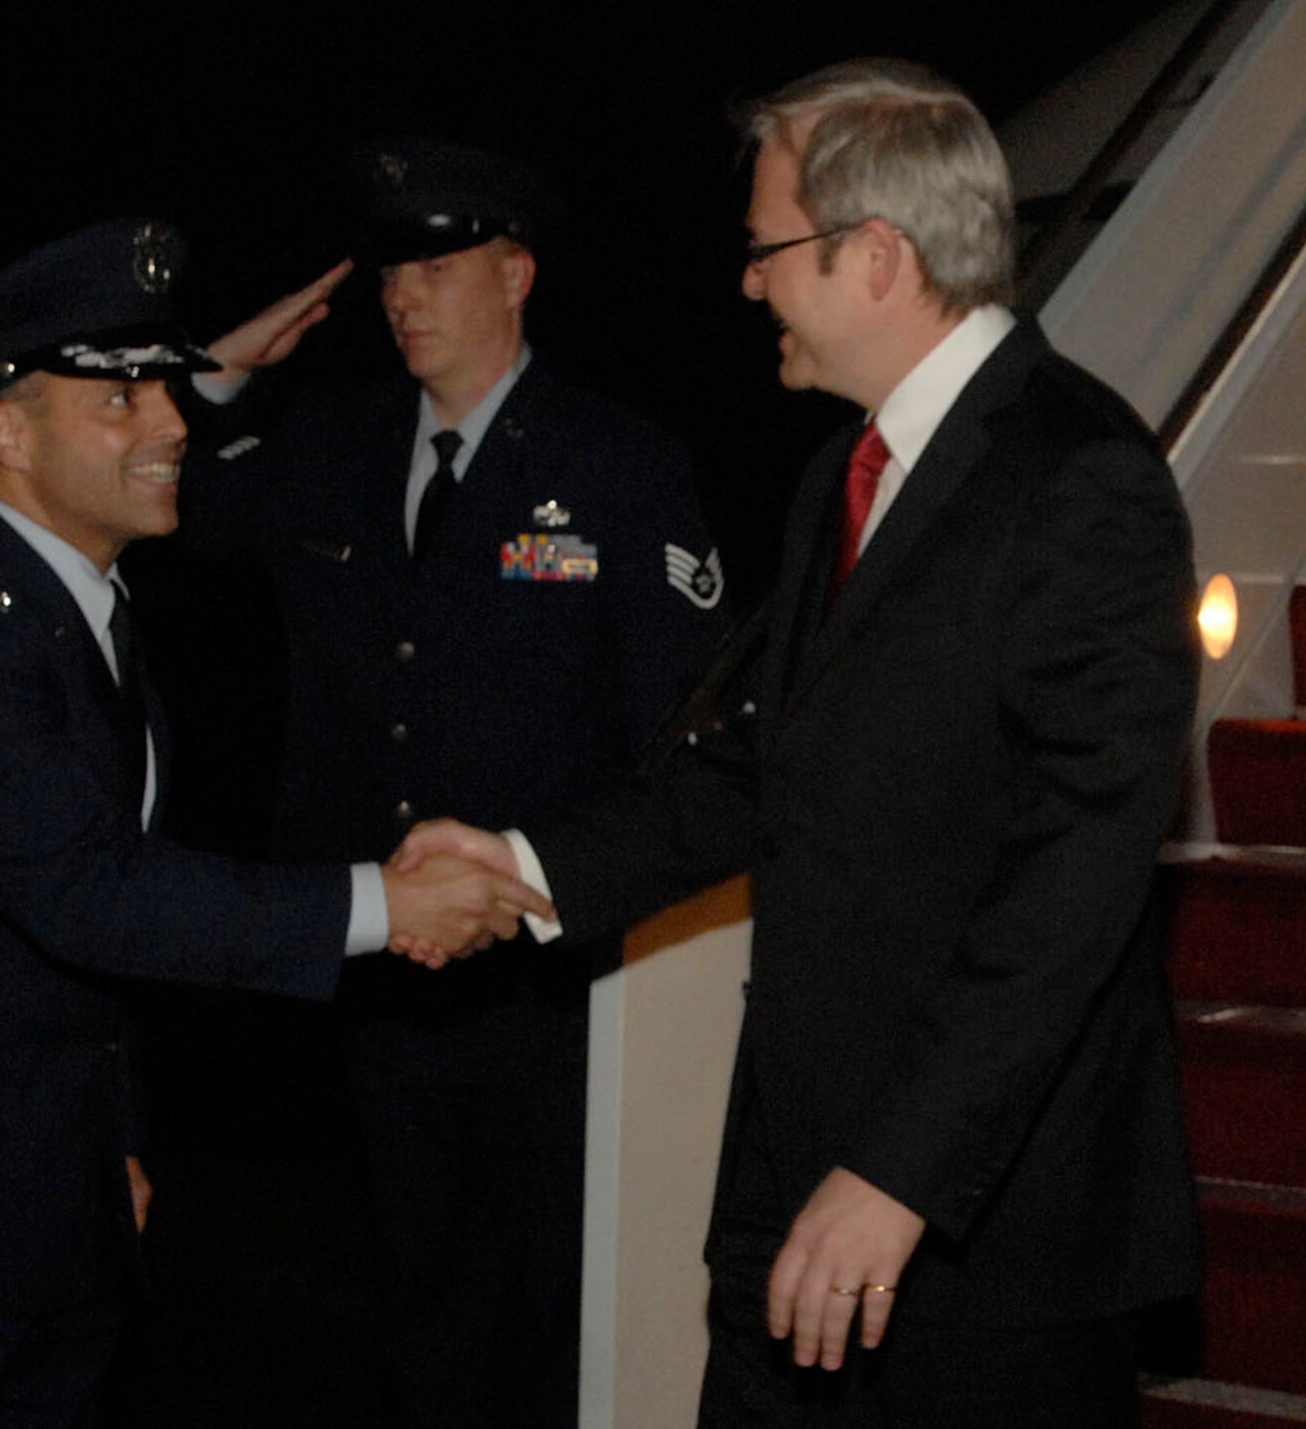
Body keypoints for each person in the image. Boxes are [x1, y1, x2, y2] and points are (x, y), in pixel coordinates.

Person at [399, 61, 1203, 1427]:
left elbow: (1079, 878)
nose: (749, 285)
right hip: (794, 1178)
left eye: (768, 250)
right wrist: (526, 865)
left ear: (875, 258)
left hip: (977, 1228)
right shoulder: (844, 472)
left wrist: (901, 1173)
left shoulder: (1081, 477)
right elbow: (759, 767)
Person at [0, 217, 546, 1428]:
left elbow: (62, 955)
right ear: (4, 434)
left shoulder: (65, 605)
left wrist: (108, 1146)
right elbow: (96, 893)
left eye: (165, 394)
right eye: (123, 405)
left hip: (43, 1213)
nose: (168, 427)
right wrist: (385, 902)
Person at [163, 141, 732, 1426]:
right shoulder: (330, 445)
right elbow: (168, 498)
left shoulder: (616, 464)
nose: (402, 292)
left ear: (514, 272)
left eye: (437, 263)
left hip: (554, 983)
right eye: (389, 269)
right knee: (418, 1307)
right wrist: (214, 374)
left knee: (556, 1315)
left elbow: (688, 741)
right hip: (378, 975)